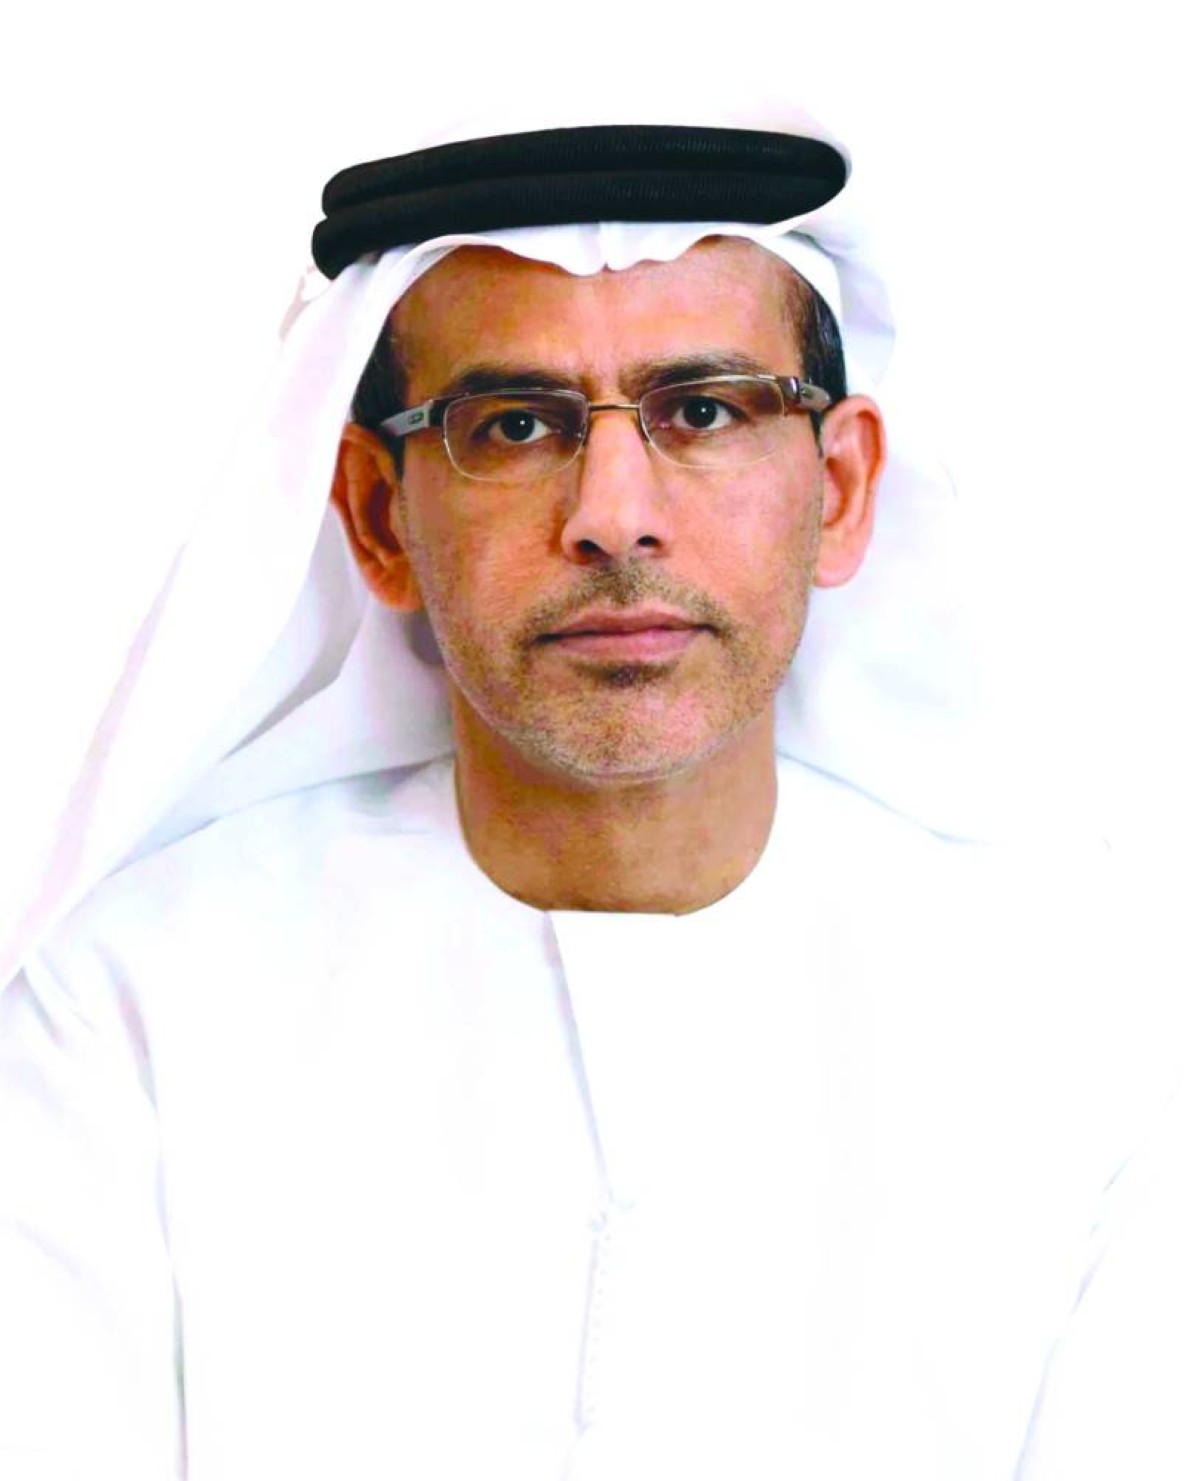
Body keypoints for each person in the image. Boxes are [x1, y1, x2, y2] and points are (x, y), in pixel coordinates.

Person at [0, 103, 1176, 1481]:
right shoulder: (127, 1006)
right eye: (515, 424)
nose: (615, 513)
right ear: (379, 516)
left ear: (843, 487)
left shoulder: (1095, 1022)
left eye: (703, 410)